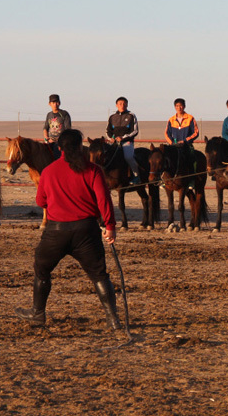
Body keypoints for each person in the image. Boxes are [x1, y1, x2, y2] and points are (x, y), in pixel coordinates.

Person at [16, 129, 122, 330]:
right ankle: (113, 319)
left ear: (59, 148)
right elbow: (104, 200)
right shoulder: (94, 170)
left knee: (42, 268)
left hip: (55, 233)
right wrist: (110, 226)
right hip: (87, 232)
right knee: (99, 274)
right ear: (81, 146)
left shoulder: (48, 171)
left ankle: (37, 313)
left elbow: (41, 201)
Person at [106, 96, 141, 184]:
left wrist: (123, 138)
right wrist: (111, 138)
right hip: (114, 143)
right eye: (120, 104)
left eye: (124, 104)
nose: (122, 105)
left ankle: (136, 176)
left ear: (127, 105)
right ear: (116, 105)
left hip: (127, 142)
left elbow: (135, 131)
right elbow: (108, 131)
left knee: (128, 157)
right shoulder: (112, 117)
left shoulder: (131, 116)